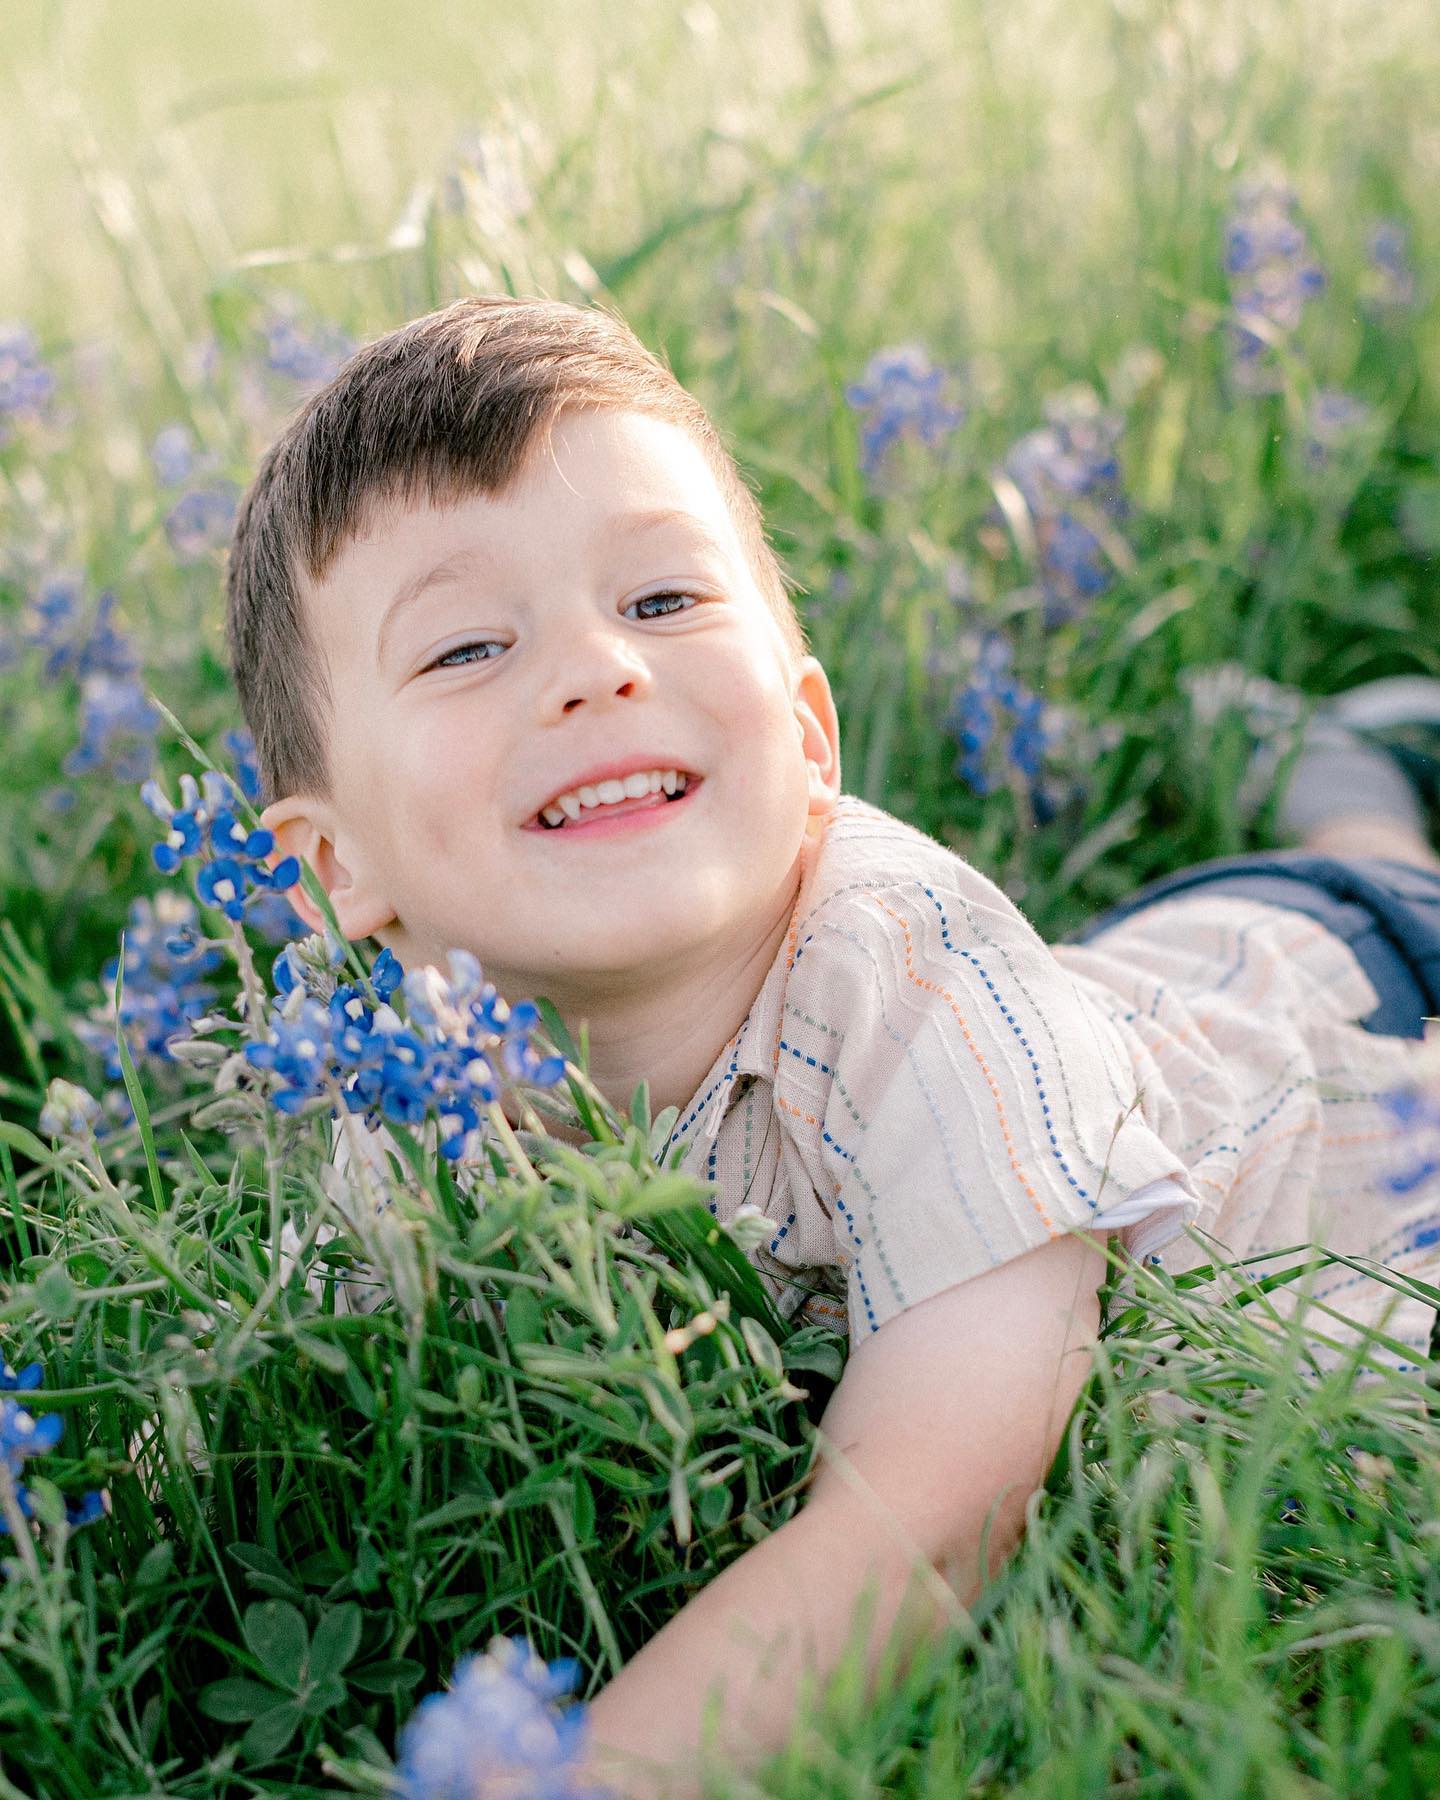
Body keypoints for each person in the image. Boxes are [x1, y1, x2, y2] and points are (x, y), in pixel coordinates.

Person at [224, 296, 1440, 1798]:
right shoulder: (411, 1091)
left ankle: (1359, 790)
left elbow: (929, 1515)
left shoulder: (918, 982)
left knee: (1383, 877)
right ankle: (1355, 774)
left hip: (1370, 1008)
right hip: (1137, 992)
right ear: (336, 869)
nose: (596, 666)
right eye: (470, 645)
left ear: (808, 736)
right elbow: (271, 1405)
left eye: (662, 603)